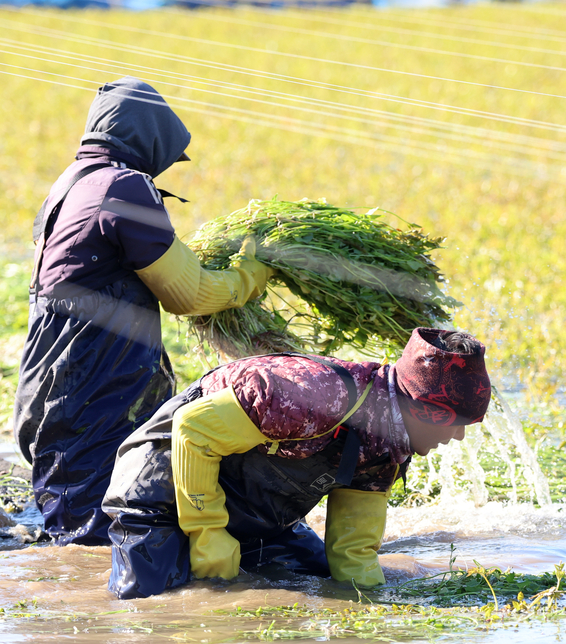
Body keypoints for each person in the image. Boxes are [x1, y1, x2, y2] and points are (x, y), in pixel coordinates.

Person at [13, 77, 272, 546]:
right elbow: (188, 294)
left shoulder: (68, 186)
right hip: (94, 386)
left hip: (49, 385)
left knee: (76, 524)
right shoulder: (125, 186)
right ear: (149, 139)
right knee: (99, 540)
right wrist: (248, 276)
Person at [102, 327, 491, 599]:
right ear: (424, 409)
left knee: (319, 578)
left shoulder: (387, 447)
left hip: (258, 520)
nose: (456, 437)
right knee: (157, 607)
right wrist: (207, 533)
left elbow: (352, 553)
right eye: (455, 423)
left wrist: (381, 611)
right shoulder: (314, 395)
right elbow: (192, 431)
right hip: (160, 492)